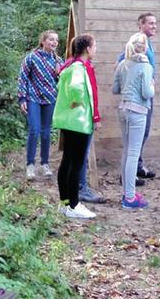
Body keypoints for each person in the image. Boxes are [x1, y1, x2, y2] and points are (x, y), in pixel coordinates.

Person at [52, 35, 98, 220]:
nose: (96, 49)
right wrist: (78, 101)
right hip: (78, 122)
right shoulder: (79, 67)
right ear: (87, 48)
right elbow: (77, 87)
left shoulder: (70, 65)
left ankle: (65, 203)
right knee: (76, 164)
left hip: (70, 121)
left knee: (67, 162)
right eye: (95, 46)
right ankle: (73, 204)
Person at [114, 13, 158, 189]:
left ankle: (137, 167)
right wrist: (149, 84)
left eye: (155, 23)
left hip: (132, 101)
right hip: (139, 98)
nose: (154, 26)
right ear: (140, 25)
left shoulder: (149, 45)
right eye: (150, 23)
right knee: (133, 143)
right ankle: (127, 178)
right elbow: (120, 62)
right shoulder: (136, 46)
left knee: (143, 134)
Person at [17, 30, 63, 180]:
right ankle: (30, 165)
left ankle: (44, 163)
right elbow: (23, 78)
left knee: (46, 132)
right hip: (33, 98)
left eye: (56, 40)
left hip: (50, 99)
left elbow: (62, 83)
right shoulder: (31, 58)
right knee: (34, 130)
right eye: (51, 39)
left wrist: (60, 74)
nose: (54, 42)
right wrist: (22, 99)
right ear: (43, 41)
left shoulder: (58, 61)